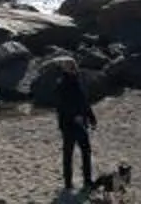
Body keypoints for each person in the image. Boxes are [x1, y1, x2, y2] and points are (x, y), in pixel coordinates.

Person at [51, 63, 98, 191]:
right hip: (68, 124)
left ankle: (87, 180)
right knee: (68, 153)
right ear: (65, 69)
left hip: (81, 123)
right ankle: (68, 183)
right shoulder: (62, 84)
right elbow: (61, 106)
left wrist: (91, 117)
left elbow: (84, 102)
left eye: (74, 67)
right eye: (71, 68)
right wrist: (74, 116)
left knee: (86, 151)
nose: (74, 70)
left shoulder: (78, 82)